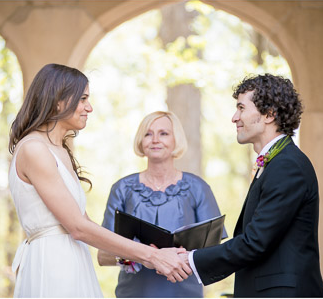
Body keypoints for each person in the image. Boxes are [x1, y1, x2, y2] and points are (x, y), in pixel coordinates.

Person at [7, 64, 190, 297]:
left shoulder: (58, 150)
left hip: (74, 259)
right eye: (83, 99)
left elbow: (86, 223)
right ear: (58, 100)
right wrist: (152, 256)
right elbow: (77, 227)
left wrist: (146, 256)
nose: (89, 108)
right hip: (52, 264)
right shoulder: (34, 149)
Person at [186, 74, 323, 297]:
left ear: (269, 114)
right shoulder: (276, 163)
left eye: (241, 108)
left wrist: (190, 259)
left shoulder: (287, 166)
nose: (234, 117)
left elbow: (255, 243)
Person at [97, 111, 227, 297]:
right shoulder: (122, 189)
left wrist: (181, 258)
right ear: (141, 141)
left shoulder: (198, 187)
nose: (155, 140)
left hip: (184, 293)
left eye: (164, 133)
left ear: (177, 140)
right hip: (134, 293)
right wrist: (141, 256)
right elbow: (103, 256)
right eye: (148, 134)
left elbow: (216, 252)